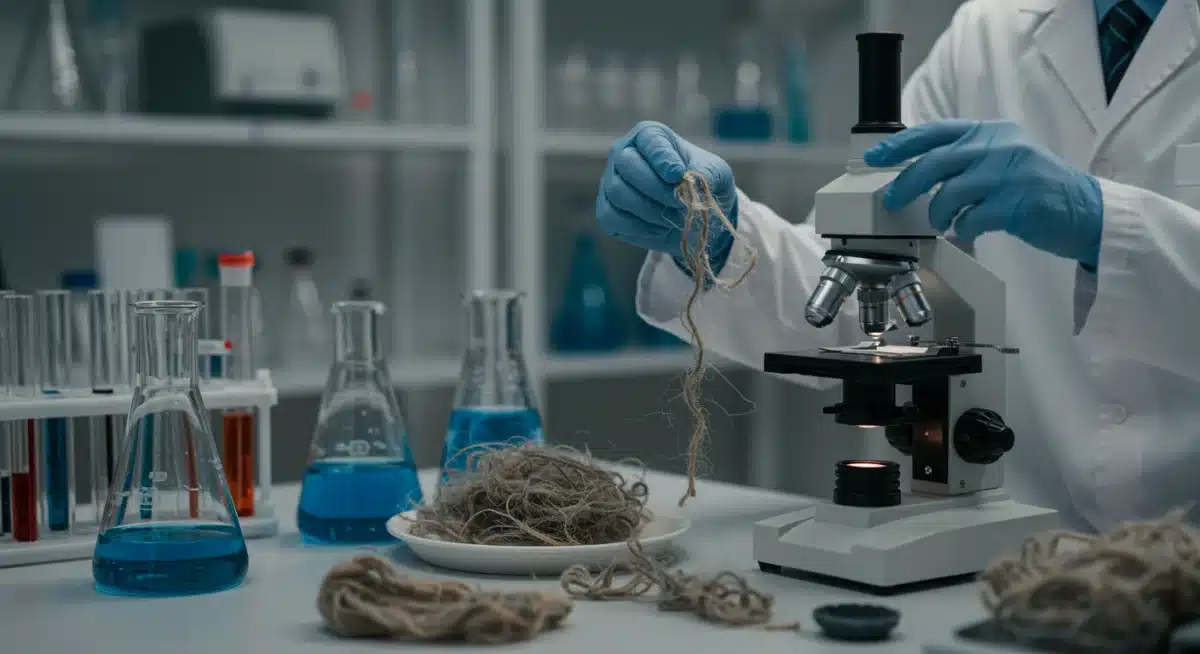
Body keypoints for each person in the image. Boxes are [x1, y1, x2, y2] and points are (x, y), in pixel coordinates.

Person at [595, 0, 1200, 533]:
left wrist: (1099, 220)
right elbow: (863, 288)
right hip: (1021, 557)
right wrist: (717, 236)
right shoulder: (986, 33)